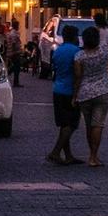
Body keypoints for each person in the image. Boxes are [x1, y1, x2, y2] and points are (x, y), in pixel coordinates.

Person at [72, 25, 108, 167]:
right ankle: (93, 156)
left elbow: (78, 77)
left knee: (89, 125)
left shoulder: (79, 56)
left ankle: (91, 154)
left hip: (84, 93)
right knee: (98, 124)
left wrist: (74, 96)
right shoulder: (103, 52)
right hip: (102, 91)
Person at [45, 23, 83, 165]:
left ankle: (68, 155)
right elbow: (78, 73)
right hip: (70, 90)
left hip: (58, 89)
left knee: (63, 123)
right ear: (74, 37)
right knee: (71, 124)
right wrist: (76, 93)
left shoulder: (58, 51)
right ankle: (55, 152)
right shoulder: (76, 52)